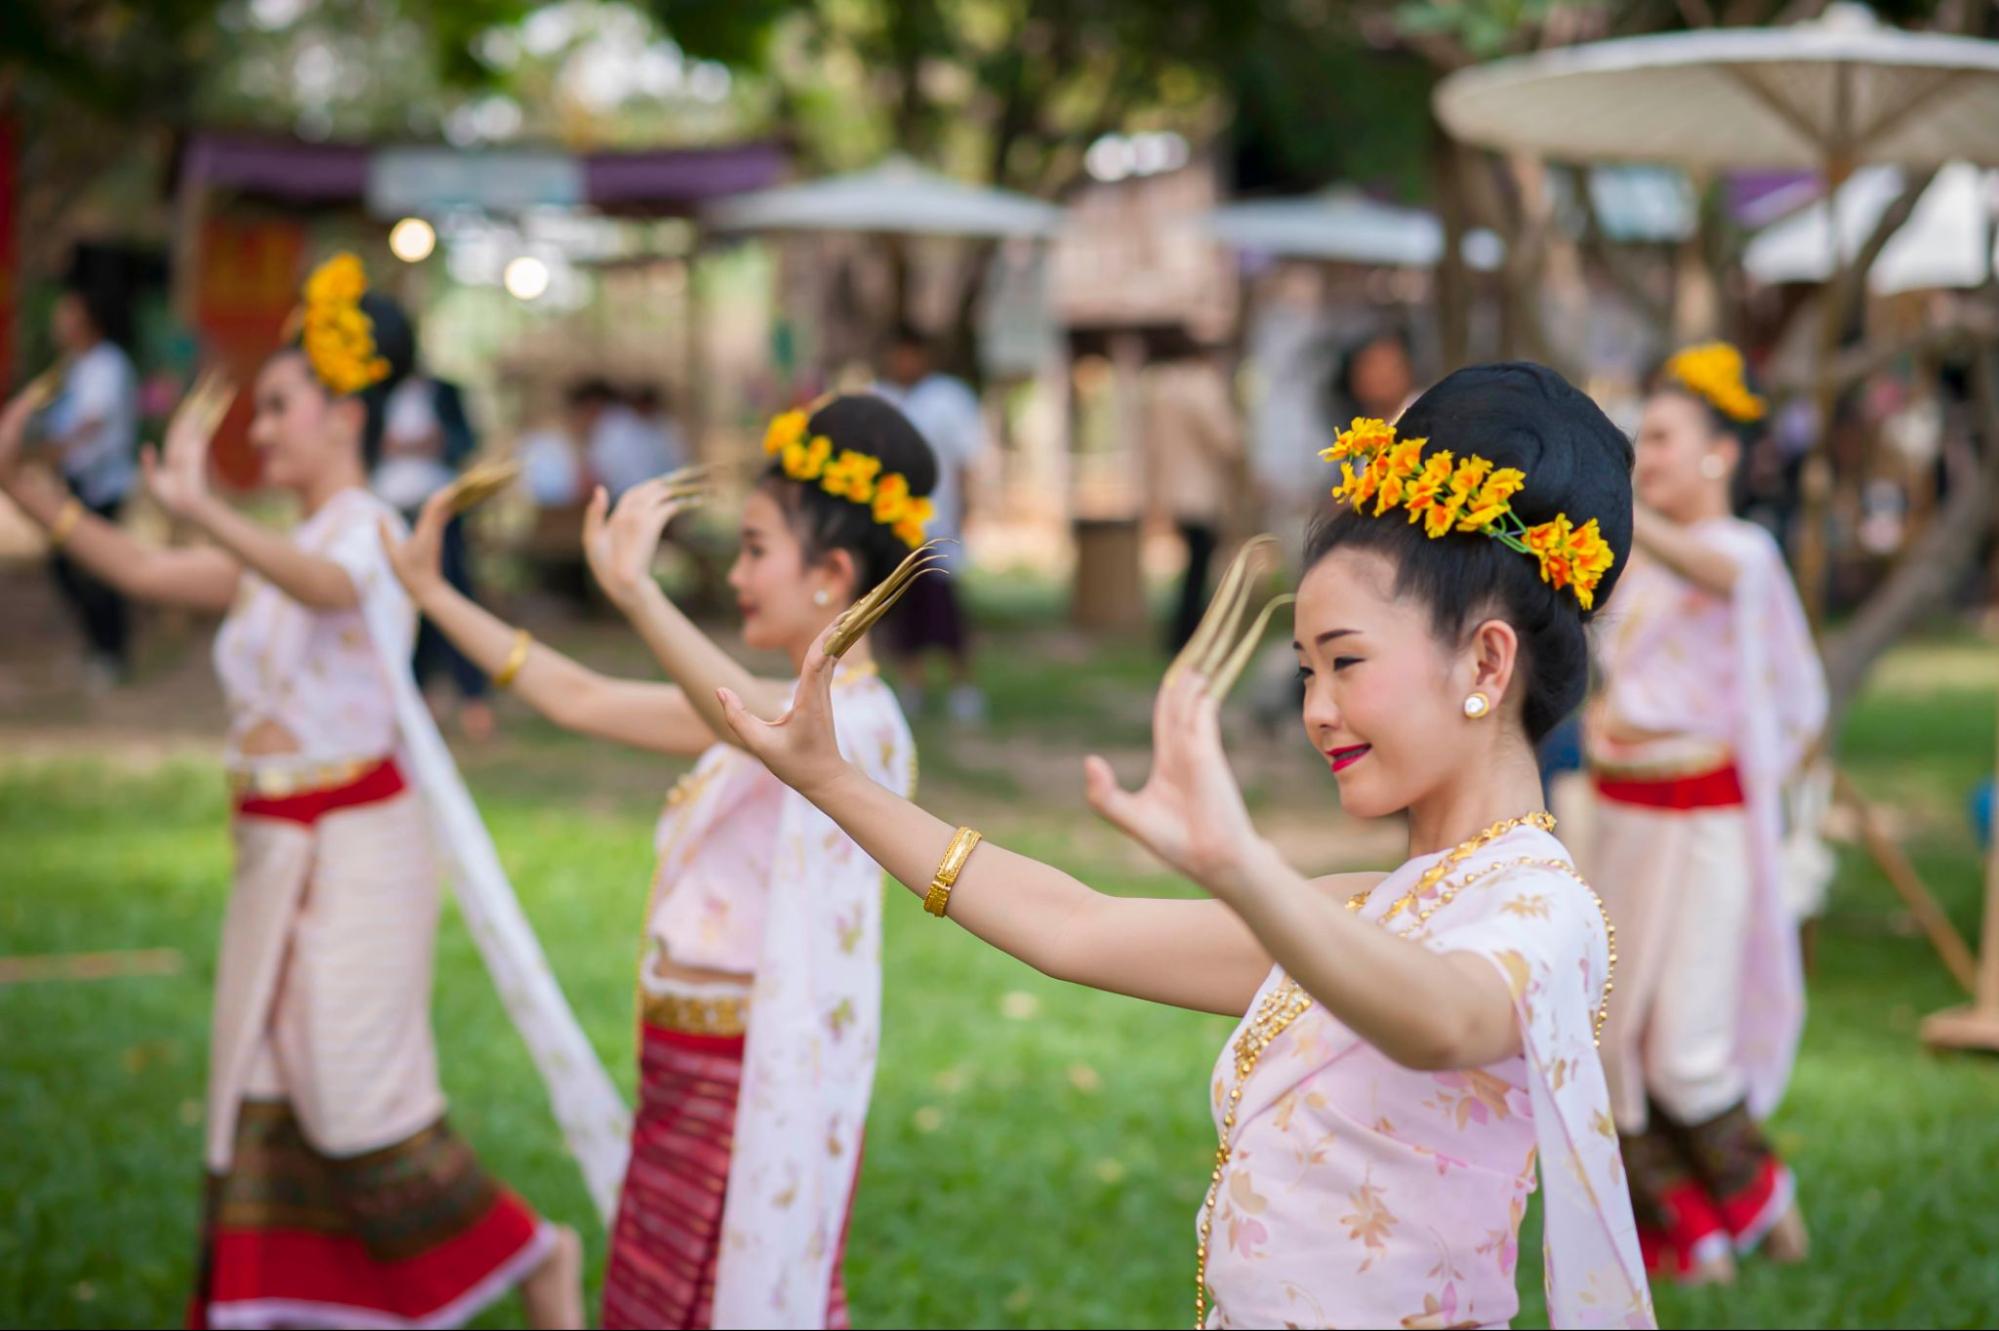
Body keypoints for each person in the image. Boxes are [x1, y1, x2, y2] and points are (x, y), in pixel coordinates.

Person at [719, 363, 1655, 1329]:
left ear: (1487, 660)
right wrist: (831, 781)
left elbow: (1445, 1018)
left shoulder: (1544, 911)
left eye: (1345, 661)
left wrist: (1240, 866)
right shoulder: (1365, 905)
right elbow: (1075, 927)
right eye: (1304, 671)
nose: (1315, 709)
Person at [0, 255, 604, 1331]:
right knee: (266, 1086)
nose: (263, 431)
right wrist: (30, 494)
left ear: (343, 414)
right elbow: (142, 573)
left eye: (279, 408)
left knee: (353, 1092)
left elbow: (325, 586)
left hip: (363, 847)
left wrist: (205, 510)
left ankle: (534, 1252)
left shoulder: (372, 527)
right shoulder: (280, 544)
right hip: (273, 850)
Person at [382, 394, 925, 1330]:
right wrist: (434, 597)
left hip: (745, 1080)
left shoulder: (854, 728)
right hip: (684, 1067)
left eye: (756, 548)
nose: (740, 571)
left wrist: (638, 592)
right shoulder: (772, 713)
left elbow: (737, 715)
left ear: (833, 572)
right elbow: (581, 696)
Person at [1584, 341, 1825, 1284]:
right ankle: (1693, 1232)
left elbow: (1721, 581)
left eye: (1661, 437)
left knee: (1684, 1048)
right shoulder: (1639, 564)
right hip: (1621, 812)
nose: (1645, 456)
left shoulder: (1741, 553)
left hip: (1704, 819)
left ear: (1720, 452)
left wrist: (1620, 510)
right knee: (1608, 1042)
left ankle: (1767, 1202)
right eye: (1638, 440)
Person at [370, 365, 497, 740]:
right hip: (390, 511)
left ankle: (474, 697)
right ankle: (416, 698)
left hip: (438, 508)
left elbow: (465, 440)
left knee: (454, 599)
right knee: (406, 609)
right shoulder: (373, 396)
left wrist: (436, 443)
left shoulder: (443, 391)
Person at [872, 324, 986, 724]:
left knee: (946, 610)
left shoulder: (949, 399)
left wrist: (966, 513)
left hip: (939, 523)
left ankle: (962, 686)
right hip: (893, 526)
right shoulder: (880, 398)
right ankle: (912, 684)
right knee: (903, 611)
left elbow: (966, 461)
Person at [41, 283, 141, 687]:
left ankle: (112, 652)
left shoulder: (108, 364)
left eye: (68, 313)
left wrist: (50, 449)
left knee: (100, 568)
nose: (59, 322)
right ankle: (100, 647)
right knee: (68, 565)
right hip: (79, 482)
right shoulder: (76, 365)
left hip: (104, 486)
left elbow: (92, 420)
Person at [1143, 334, 1245, 652]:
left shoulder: (1157, 388)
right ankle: (1189, 633)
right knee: (1199, 567)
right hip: (1201, 490)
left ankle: (1182, 633)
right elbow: (1226, 438)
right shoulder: (1200, 385)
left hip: (1173, 489)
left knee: (1192, 566)